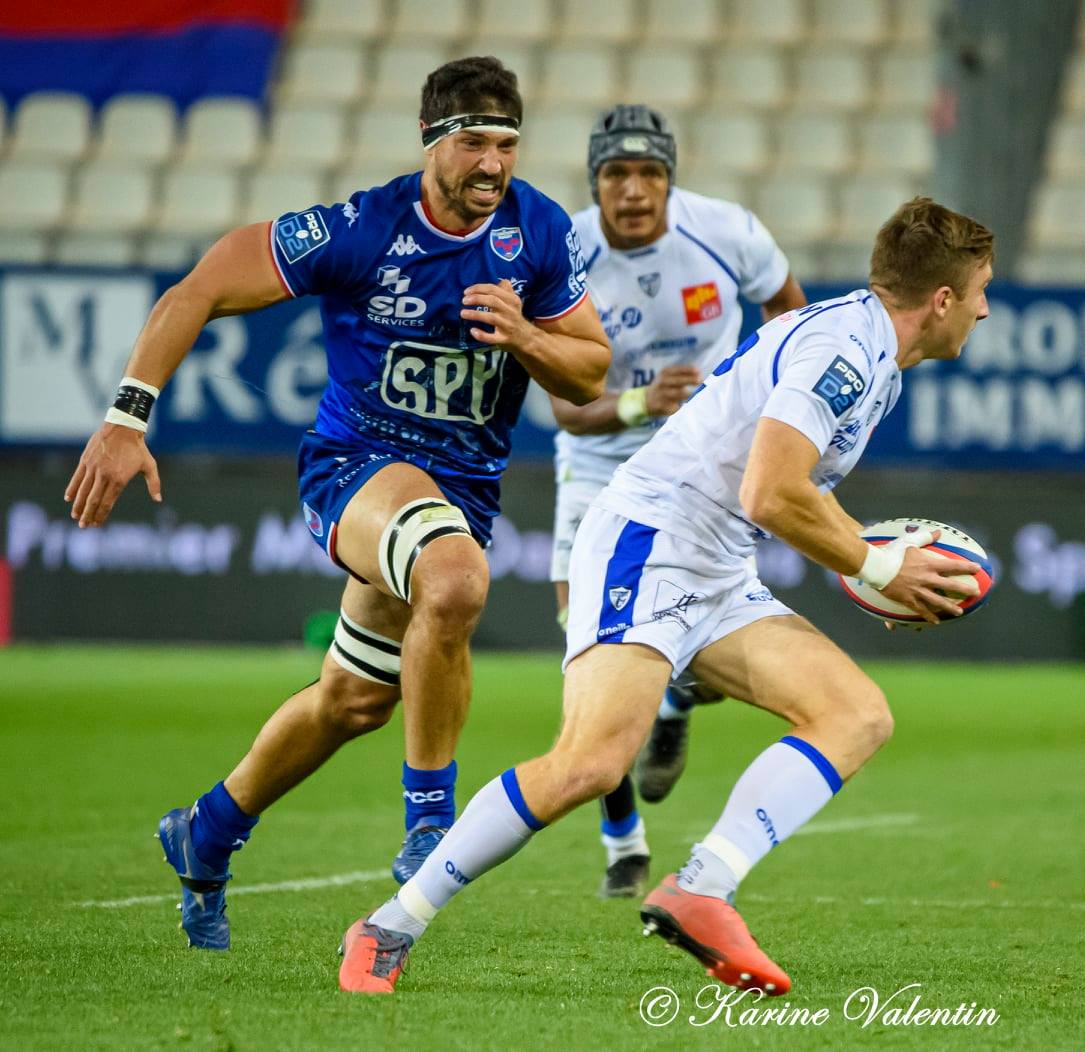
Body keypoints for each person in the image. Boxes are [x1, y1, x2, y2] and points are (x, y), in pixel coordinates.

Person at [339, 196, 993, 995]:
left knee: (855, 714)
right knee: (590, 763)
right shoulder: (845, 353)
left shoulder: (868, 351)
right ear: (943, 300)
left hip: (715, 563)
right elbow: (769, 492)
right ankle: (387, 926)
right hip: (650, 542)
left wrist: (870, 565)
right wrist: (879, 567)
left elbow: (785, 496)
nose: (986, 309)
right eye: (981, 291)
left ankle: (701, 889)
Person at [62, 56, 611, 950]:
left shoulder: (537, 231)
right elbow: (198, 287)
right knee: (456, 578)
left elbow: (590, 370)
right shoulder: (362, 228)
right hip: (359, 467)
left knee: (353, 701)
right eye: (472, 142)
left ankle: (205, 830)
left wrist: (524, 336)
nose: (492, 164)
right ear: (431, 143)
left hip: (461, 485)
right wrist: (129, 415)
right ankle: (431, 823)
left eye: (506, 145)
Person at [554, 104, 807, 898]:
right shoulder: (564, 253)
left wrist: (764, 402)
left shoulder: (727, 231)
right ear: (594, 182)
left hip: (701, 460)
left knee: (701, 630)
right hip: (597, 462)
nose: (633, 191)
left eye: (649, 174)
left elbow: (791, 314)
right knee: (585, 656)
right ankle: (622, 842)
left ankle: (676, 701)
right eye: (615, 175)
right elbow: (566, 408)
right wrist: (640, 402)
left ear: (671, 177)